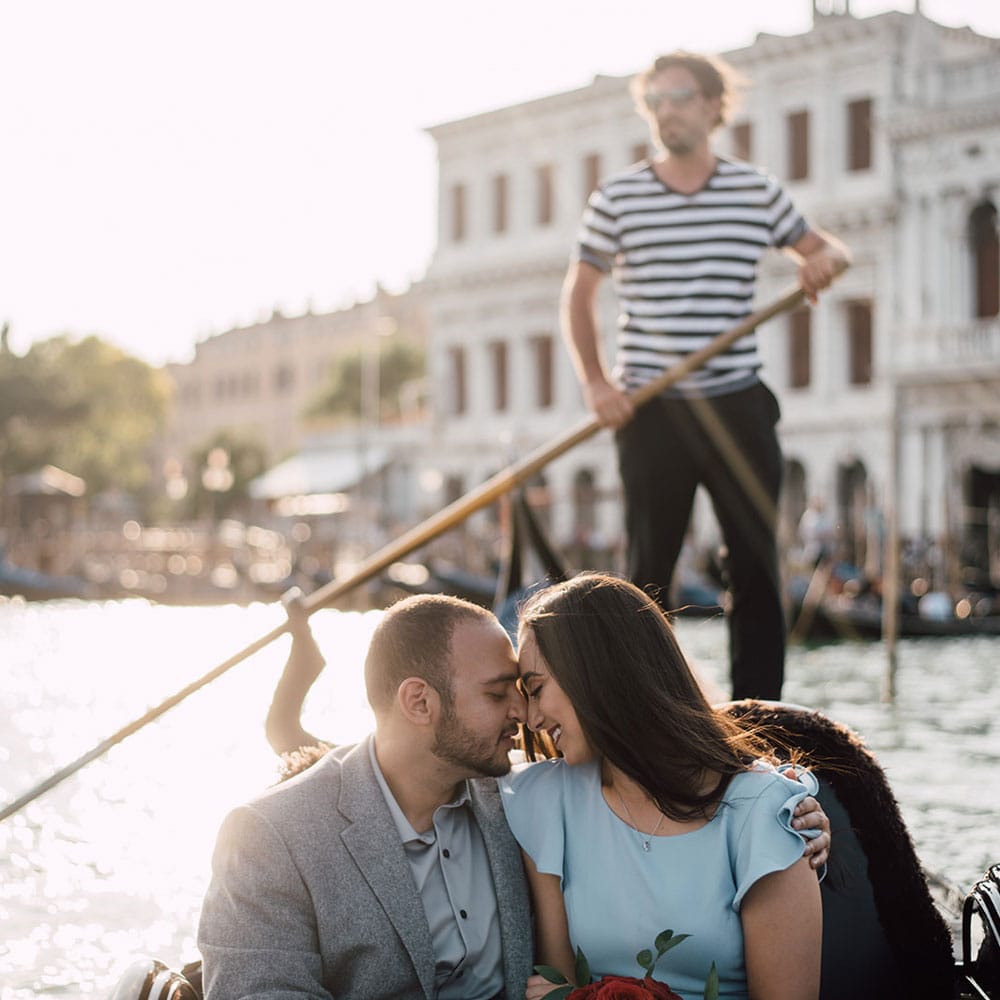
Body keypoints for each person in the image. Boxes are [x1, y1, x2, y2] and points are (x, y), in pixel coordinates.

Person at [198, 591, 829, 999]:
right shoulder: (268, 835)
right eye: (501, 693)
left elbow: (688, 782)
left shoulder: (515, 797)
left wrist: (787, 811)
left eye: (528, 688)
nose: (523, 716)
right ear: (419, 702)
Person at [561, 50, 851, 700]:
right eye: (655, 101)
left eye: (680, 97)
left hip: (737, 403)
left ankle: (762, 717)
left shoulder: (754, 190)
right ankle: (642, 719)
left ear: (715, 105)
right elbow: (578, 295)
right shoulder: (619, 197)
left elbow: (827, 248)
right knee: (648, 580)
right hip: (651, 407)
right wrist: (596, 383)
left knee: (755, 568)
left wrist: (822, 262)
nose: (667, 111)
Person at [500, 572, 823, 1000]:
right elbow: (560, 987)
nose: (533, 719)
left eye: (537, 690)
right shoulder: (542, 800)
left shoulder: (764, 815)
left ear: (595, 670)